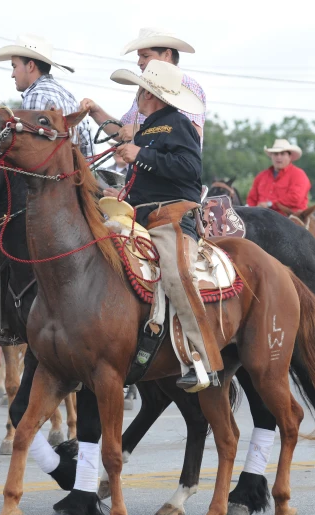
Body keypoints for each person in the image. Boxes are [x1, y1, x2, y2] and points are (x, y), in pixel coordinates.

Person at [0, 34, 92, 343]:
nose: (12, 72)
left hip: (47, 194)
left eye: (15, 66)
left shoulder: (34, 99)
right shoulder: (65, 94)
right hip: (79, 188)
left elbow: (30, 158)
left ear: (31, 66)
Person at [110, 59, 222, 392]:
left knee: (175, 273)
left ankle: (206, 360)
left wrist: (140, 154)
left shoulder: (178, 124)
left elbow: (190, 168)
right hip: (138, 216)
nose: (137, 96)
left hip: (171, 216)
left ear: (150, 95)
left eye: (140, 90)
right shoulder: (147, 129)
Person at [81, 28, 206, 146]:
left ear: (167, 55)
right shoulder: (147, 87)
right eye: (139, 56)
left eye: (146, 56)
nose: (139, 62)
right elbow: (124, 131)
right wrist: (96, 112)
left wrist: (140, 130)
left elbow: (193, 135)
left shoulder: (186, 85)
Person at [246, 139, 311, 214]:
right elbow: (251, 199)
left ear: (290, 157)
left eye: (282, 154)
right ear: (271, 156)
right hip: (262, 217)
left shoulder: (299, 175)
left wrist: (270, 204)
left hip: (290, 219)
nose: (278, 157)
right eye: (276, 154)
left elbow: (295, 199)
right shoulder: (261, 176)